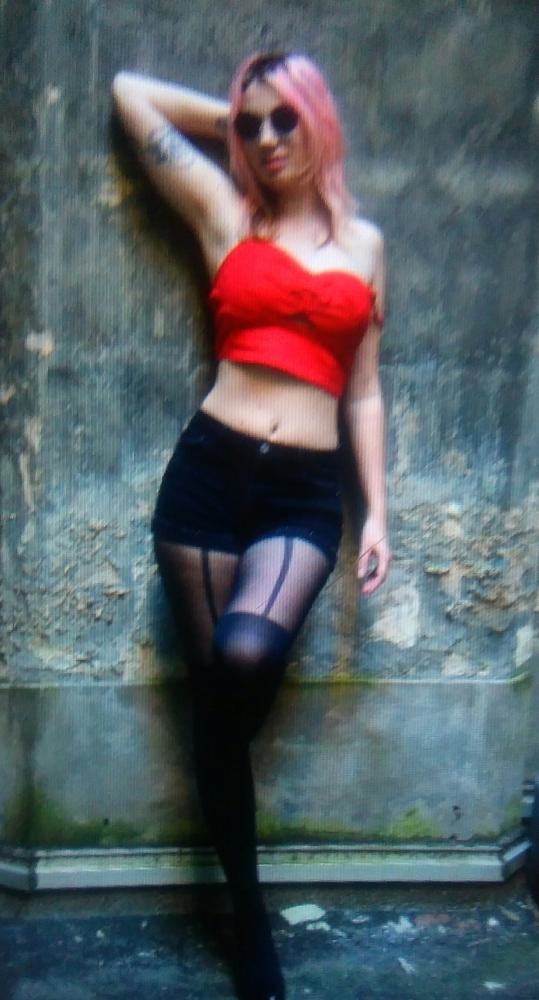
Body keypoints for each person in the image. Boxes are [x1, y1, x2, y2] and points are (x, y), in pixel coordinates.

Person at [112, 52, 391, 1000]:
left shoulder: (365, 246)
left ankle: (227, 846)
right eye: (252, 122)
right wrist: (228, 123)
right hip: (206, 477)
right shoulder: (226, 214)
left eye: (285, 119)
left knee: (239, 663)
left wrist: (376, 512)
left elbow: (363, 390)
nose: (267, 138)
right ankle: (248, 915)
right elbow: (130, 94)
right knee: (218, 698)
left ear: (319, 121)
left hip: (302, 493)